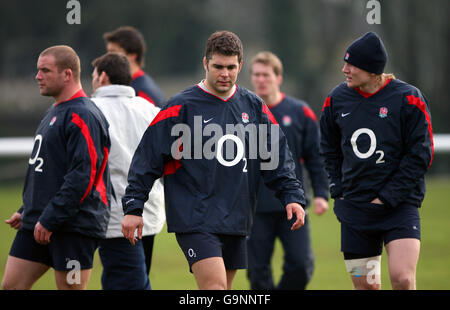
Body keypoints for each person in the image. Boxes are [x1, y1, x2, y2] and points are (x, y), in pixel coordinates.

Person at [121, 30, 307, 290]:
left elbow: (277, 158)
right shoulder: (180, 107)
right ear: (205, 63)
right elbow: (147, 158)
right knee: (215, 288)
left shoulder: (254, 107)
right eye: (218, 66)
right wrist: (133, 207)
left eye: (231, 67)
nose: (225, 73)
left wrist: (292, 196)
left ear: (240, 65)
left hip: (236, 217)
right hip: (195, 217)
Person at [320, 32, 434, 290]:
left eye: (352, 65)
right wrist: (338, 189)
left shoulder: (408, 98)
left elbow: (421, 154)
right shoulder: (336, 99)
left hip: (399, 205)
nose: (344, 69)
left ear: (372, 70)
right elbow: (328, 147)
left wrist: (387, 197)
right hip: (356, 209)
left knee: (403, 279)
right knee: (367, 287)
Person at [2, 45, 111, 290]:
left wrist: (50, 218)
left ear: (67, 75)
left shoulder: (84, 115)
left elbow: (82, 177)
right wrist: (28, 209)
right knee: (11, 286)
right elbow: (48, 170)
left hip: (73, 225)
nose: (37, 76)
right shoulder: (54, 110)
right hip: (38, 222)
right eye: (38, 70)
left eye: (45, 70)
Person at [247, 51, 329, 290]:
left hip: (292, 205)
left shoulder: (300, 112)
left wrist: (322, 193)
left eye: (266, 74)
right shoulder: (242, 112)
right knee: (257, 272)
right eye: (256, 75)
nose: (261, 80)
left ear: (279, 77)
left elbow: (315, 156)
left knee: (300, 265)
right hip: (254, 207)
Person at [90, 52, 165, 290]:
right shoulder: (150, 109)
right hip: (150, 211)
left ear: (102, 77)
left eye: (93, 75)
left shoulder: (90, 110)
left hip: (115, 217)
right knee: (134, 277)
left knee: (126, 282)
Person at [103, 26, 165, 109]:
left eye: (113, 52)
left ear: (132, 55)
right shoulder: (132, 85)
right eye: (108, 52)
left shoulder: (142, 92)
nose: (107, 57)